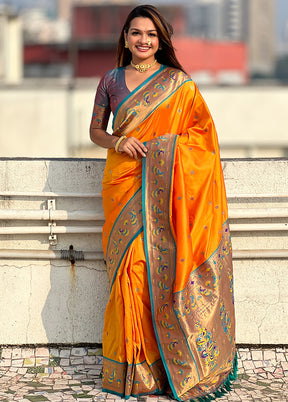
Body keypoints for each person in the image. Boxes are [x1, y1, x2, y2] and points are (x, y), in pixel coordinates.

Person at [89, 4, 237, 401]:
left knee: (160, 270)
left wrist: (163, 149)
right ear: (125, 38)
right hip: (122, 184)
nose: (143, 40)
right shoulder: (110, 80)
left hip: (166, 189)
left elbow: (203, 137)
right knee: (130, 275)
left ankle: (167, 367)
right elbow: (95, 131)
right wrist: (118, 140)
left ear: (161, 40)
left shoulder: (178, 83)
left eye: (151, 34)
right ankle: (134, 372)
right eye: (136, 33)